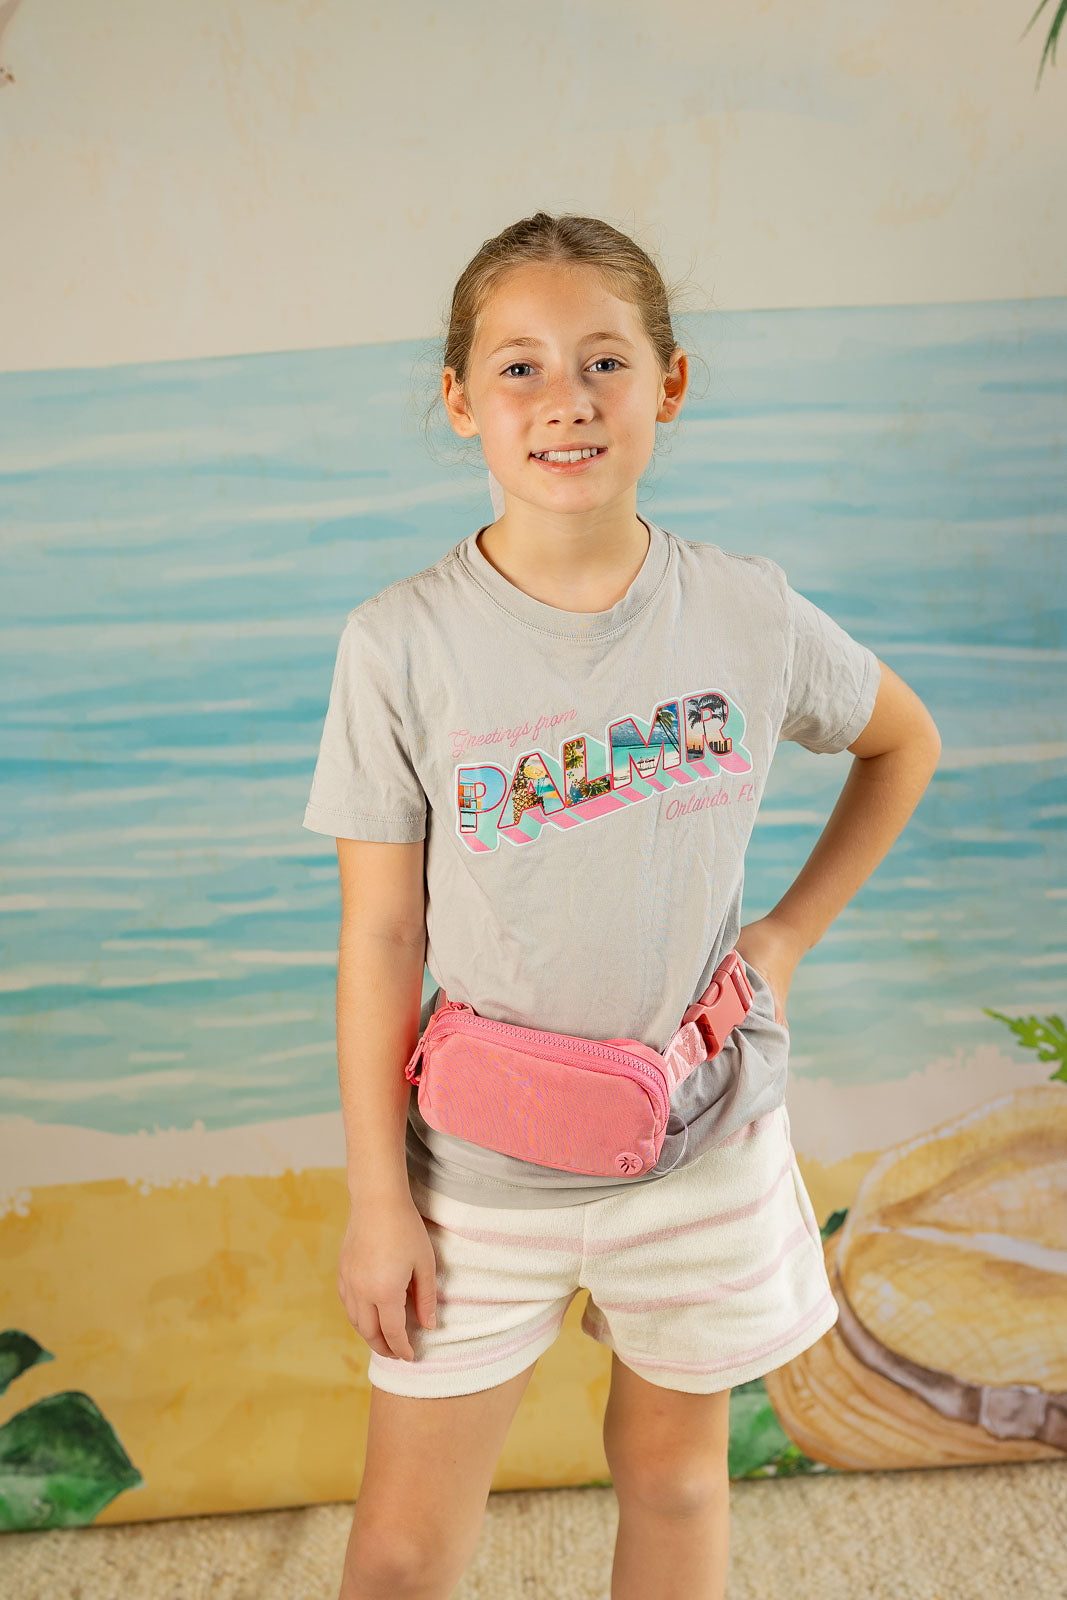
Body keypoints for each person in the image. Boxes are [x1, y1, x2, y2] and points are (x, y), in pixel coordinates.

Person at [301, 211, 942, 1600]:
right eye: (519, 368)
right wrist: (378, 1201)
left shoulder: (746, 612)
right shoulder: (398, 645)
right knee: (402, 1548)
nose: (567, 400)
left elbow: (903, 742)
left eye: (604, 361)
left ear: (670, 384)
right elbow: (382, 936)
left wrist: (784, 936)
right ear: (461, 401)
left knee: (676, 1481)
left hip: (700, 1146)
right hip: (474, 1175)